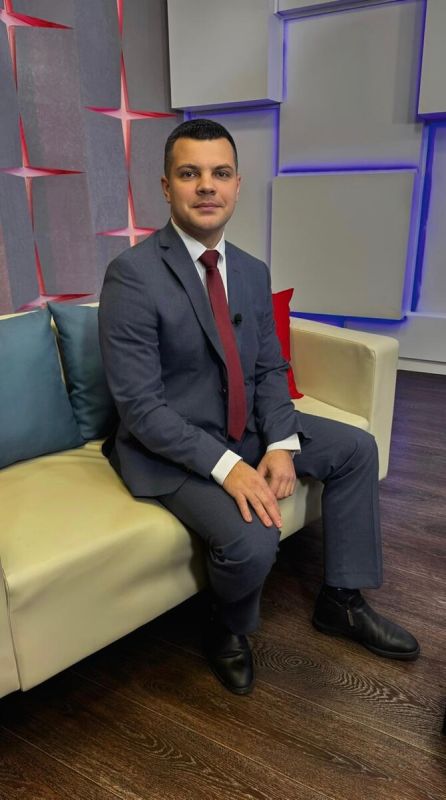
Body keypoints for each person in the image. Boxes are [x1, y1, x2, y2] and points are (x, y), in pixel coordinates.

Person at [98, 119, 419, 695]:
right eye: (189, 173)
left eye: (220, 173)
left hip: (243, 425)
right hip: (170, 446)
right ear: (166, 187)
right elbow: (141, 409)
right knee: (251, 539)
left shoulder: (250, 270)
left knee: (356, 448)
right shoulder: (131, 276)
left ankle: (341, 601)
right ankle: (226, 626)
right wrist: (230, 467)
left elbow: (269, 369)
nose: (206, 185)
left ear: (237, 185)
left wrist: (279, 444)